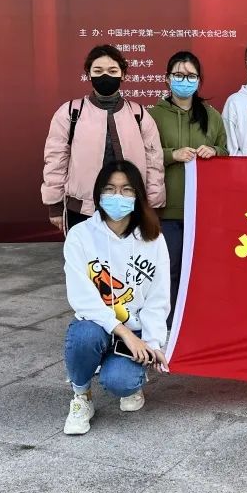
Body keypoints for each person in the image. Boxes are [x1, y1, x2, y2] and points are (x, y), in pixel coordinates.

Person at [62, 161, 170, 436]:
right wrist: (123, 332)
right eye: (110, 189)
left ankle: (131, 379)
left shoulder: (153, 239)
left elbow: (157, 298)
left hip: (134, 331)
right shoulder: (80, 235)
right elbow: (82, 298)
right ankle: (82, 397)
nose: (117, 196)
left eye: (126, 190)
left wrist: (152, 343)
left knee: (121, 382)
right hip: (97, 326)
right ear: (98, 194)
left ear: (137, 195)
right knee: (84, 335)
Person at [43, 45, 165, 232]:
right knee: (85, 252)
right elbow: (55, 160)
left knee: (128, 251)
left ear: (123, 75)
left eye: (112, 71)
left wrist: (154, 204)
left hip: (130, 206)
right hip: (82, 209)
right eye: (98, 71)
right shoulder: (70, 112)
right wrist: (55, 205)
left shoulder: (139, 115)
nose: (105, 76)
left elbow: (154, 163)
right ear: (88, 74)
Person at [148, 51, 228, 327]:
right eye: (179, 75)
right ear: (167, 78)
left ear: (199, 80)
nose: (185, 80)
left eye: (191, 76)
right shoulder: (153, 115)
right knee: (169, 270)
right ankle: (168, 327)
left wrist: (214, 151)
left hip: (202, 210)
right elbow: (144, 155)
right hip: (167, 209)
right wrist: (172, 154)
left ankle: (199, 325)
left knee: (200, 271)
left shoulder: (211, 116)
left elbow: (226, 152)